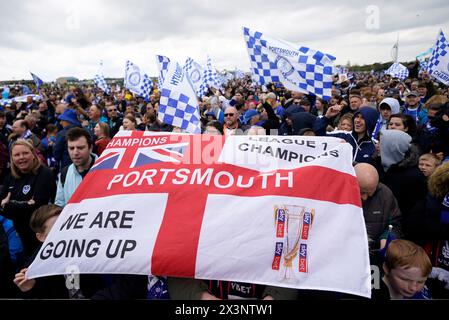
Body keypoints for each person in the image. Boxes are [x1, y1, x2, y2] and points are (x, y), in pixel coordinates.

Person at [0, 139, 55, 258]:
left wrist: (9, 204)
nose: (21, 157)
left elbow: (37, 208)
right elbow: (1, 206)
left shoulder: (44, 173)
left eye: (25, 153)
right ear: (12, 158)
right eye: (17, 155)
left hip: (39, 237)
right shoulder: (10, 177)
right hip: (17, 235)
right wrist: (25, 204)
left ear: (33, 154)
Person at [354, 163, 402, 263]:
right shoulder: (336, 193)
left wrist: (387, 236)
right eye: (362, 192)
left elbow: (395, 223)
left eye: (370, 193)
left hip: (372, 257)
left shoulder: (385, 195)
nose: (365, 198)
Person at [55, 128, 97, 208]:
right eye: (71, 148)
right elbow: (59, 205)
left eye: (80, 148)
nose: (75, 153)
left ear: (90, 148)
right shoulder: (65, 173)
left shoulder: (107, 170)